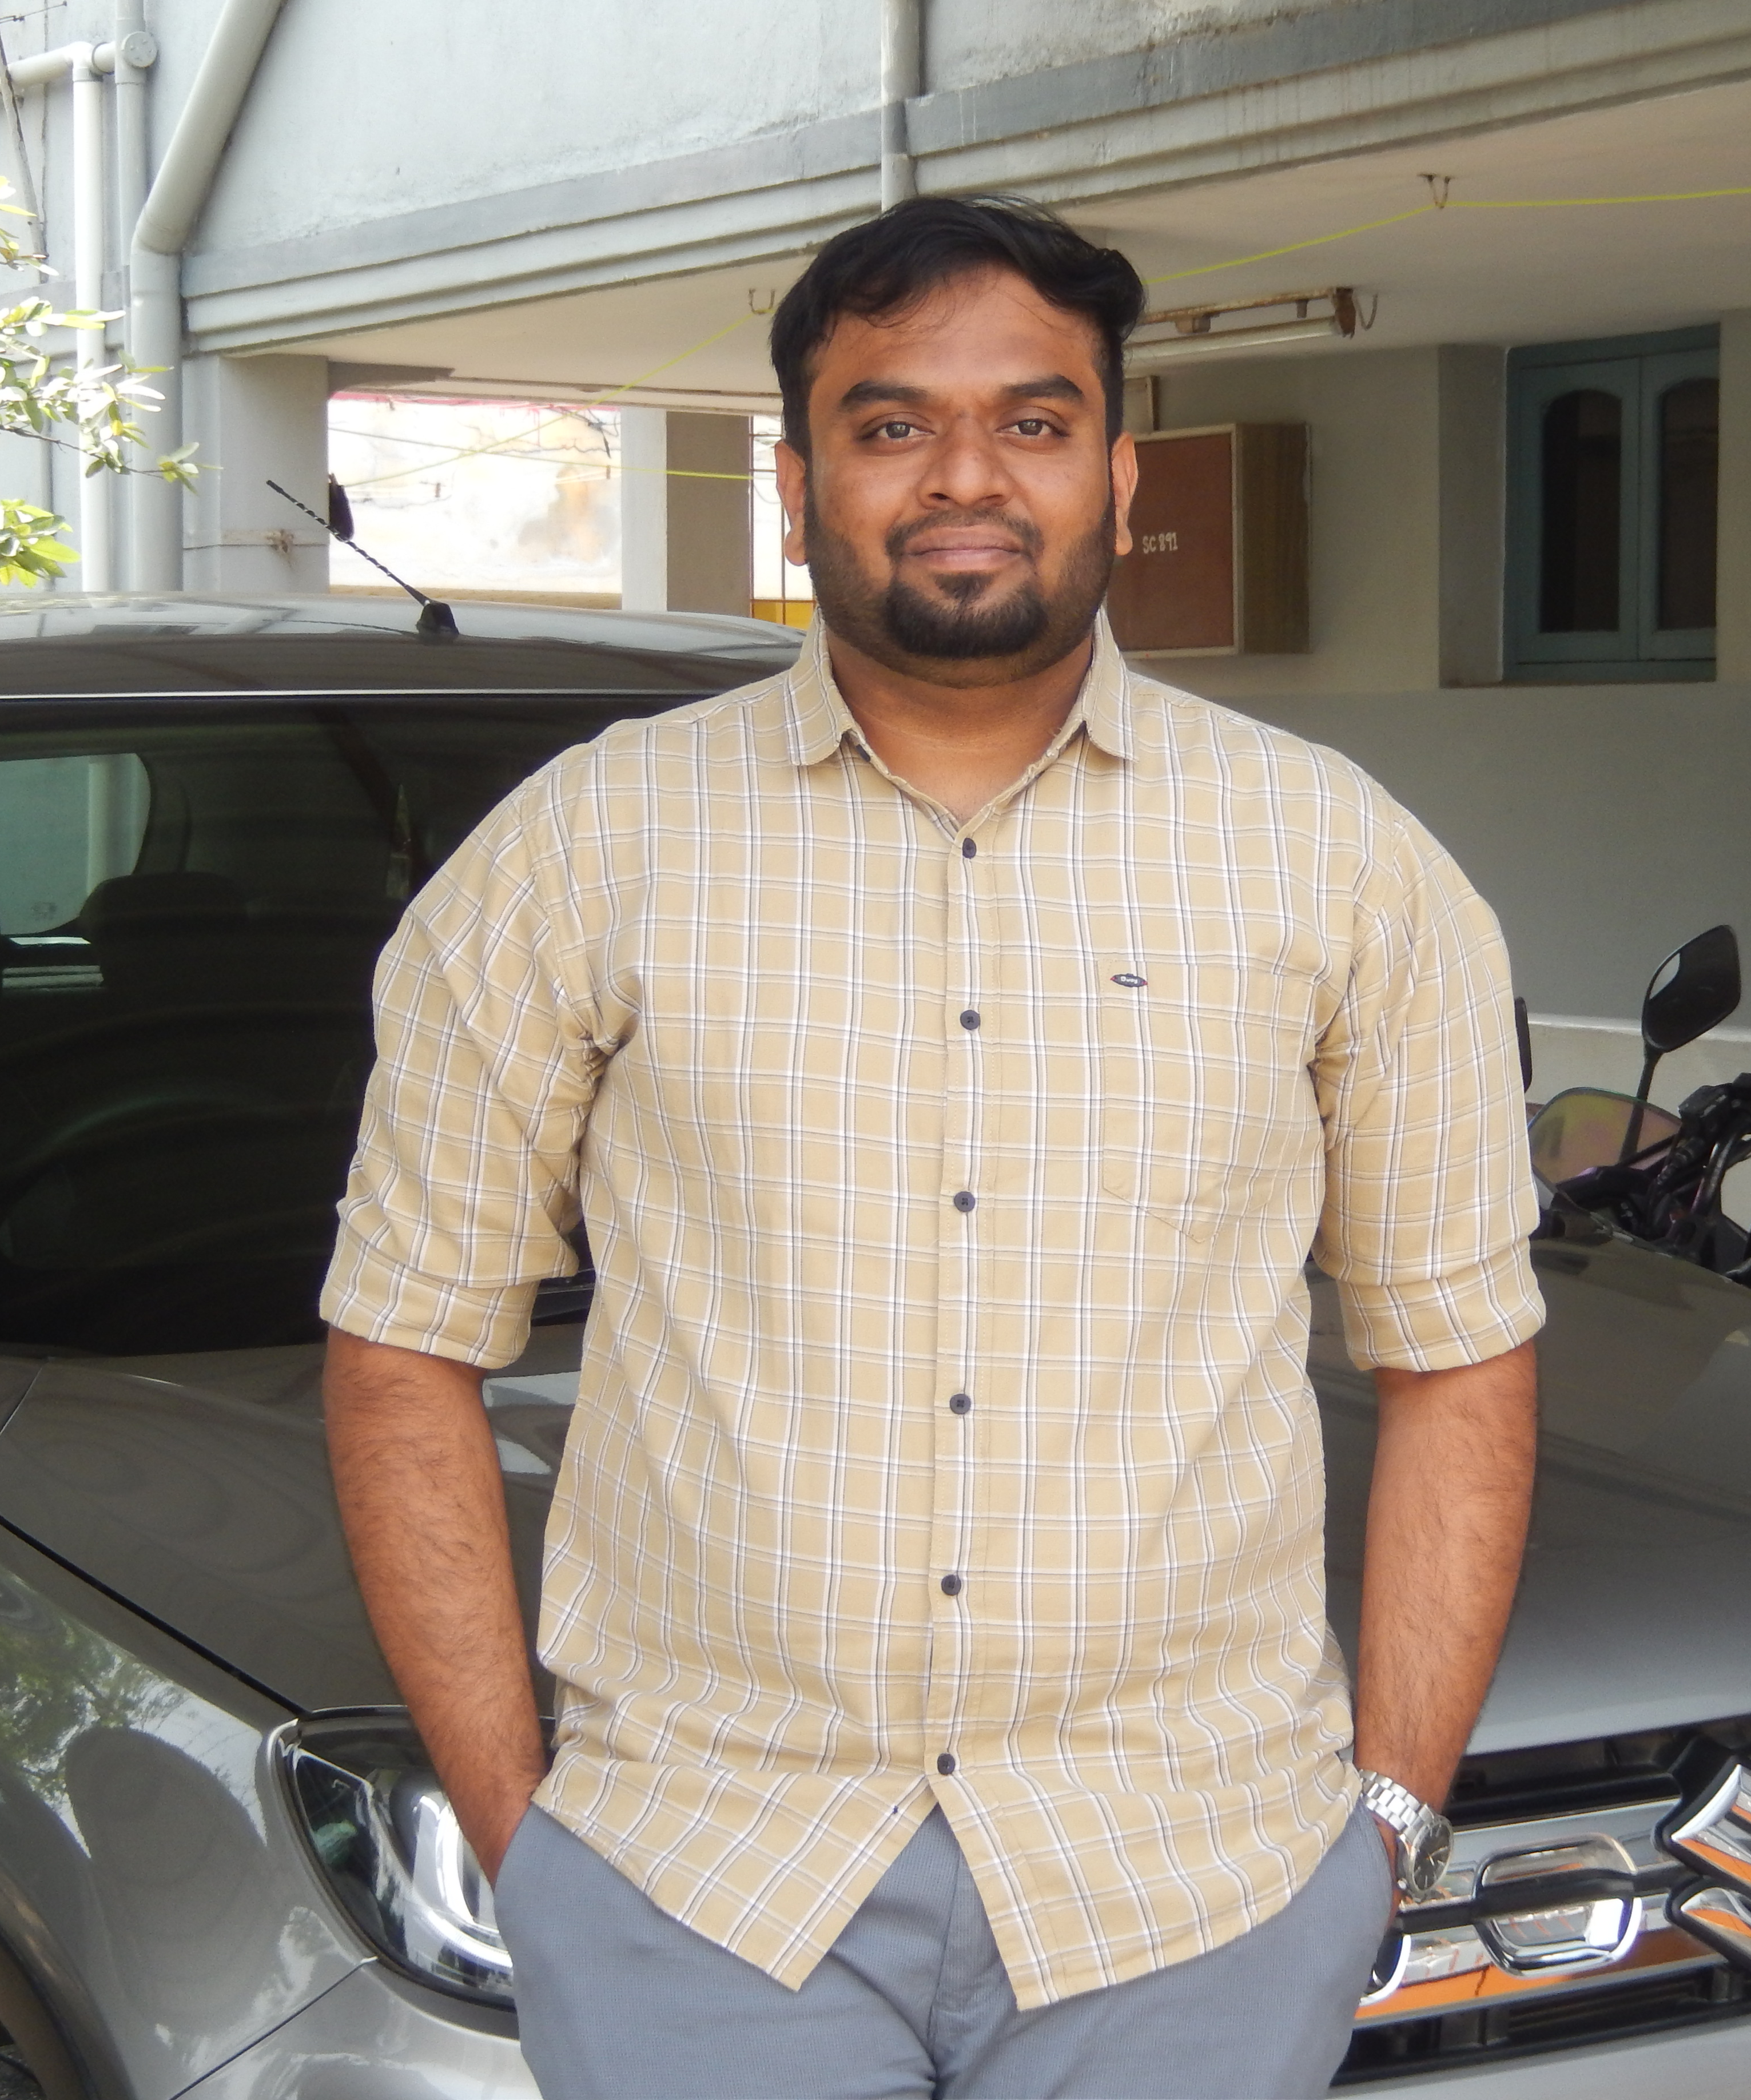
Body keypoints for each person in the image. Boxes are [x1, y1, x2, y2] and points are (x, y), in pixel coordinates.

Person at [321, 194, 1543, 2100]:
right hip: (699, 1885)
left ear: (1120, 475)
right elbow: (403, 1345)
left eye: (1034, 421)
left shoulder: (1342, 861)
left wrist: (1382, 1825)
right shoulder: (582, 850)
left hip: (1198, 1889)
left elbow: (1459, 1355)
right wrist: (523, 1842)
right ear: (796, 482)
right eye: (891, 424)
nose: (966, 477)